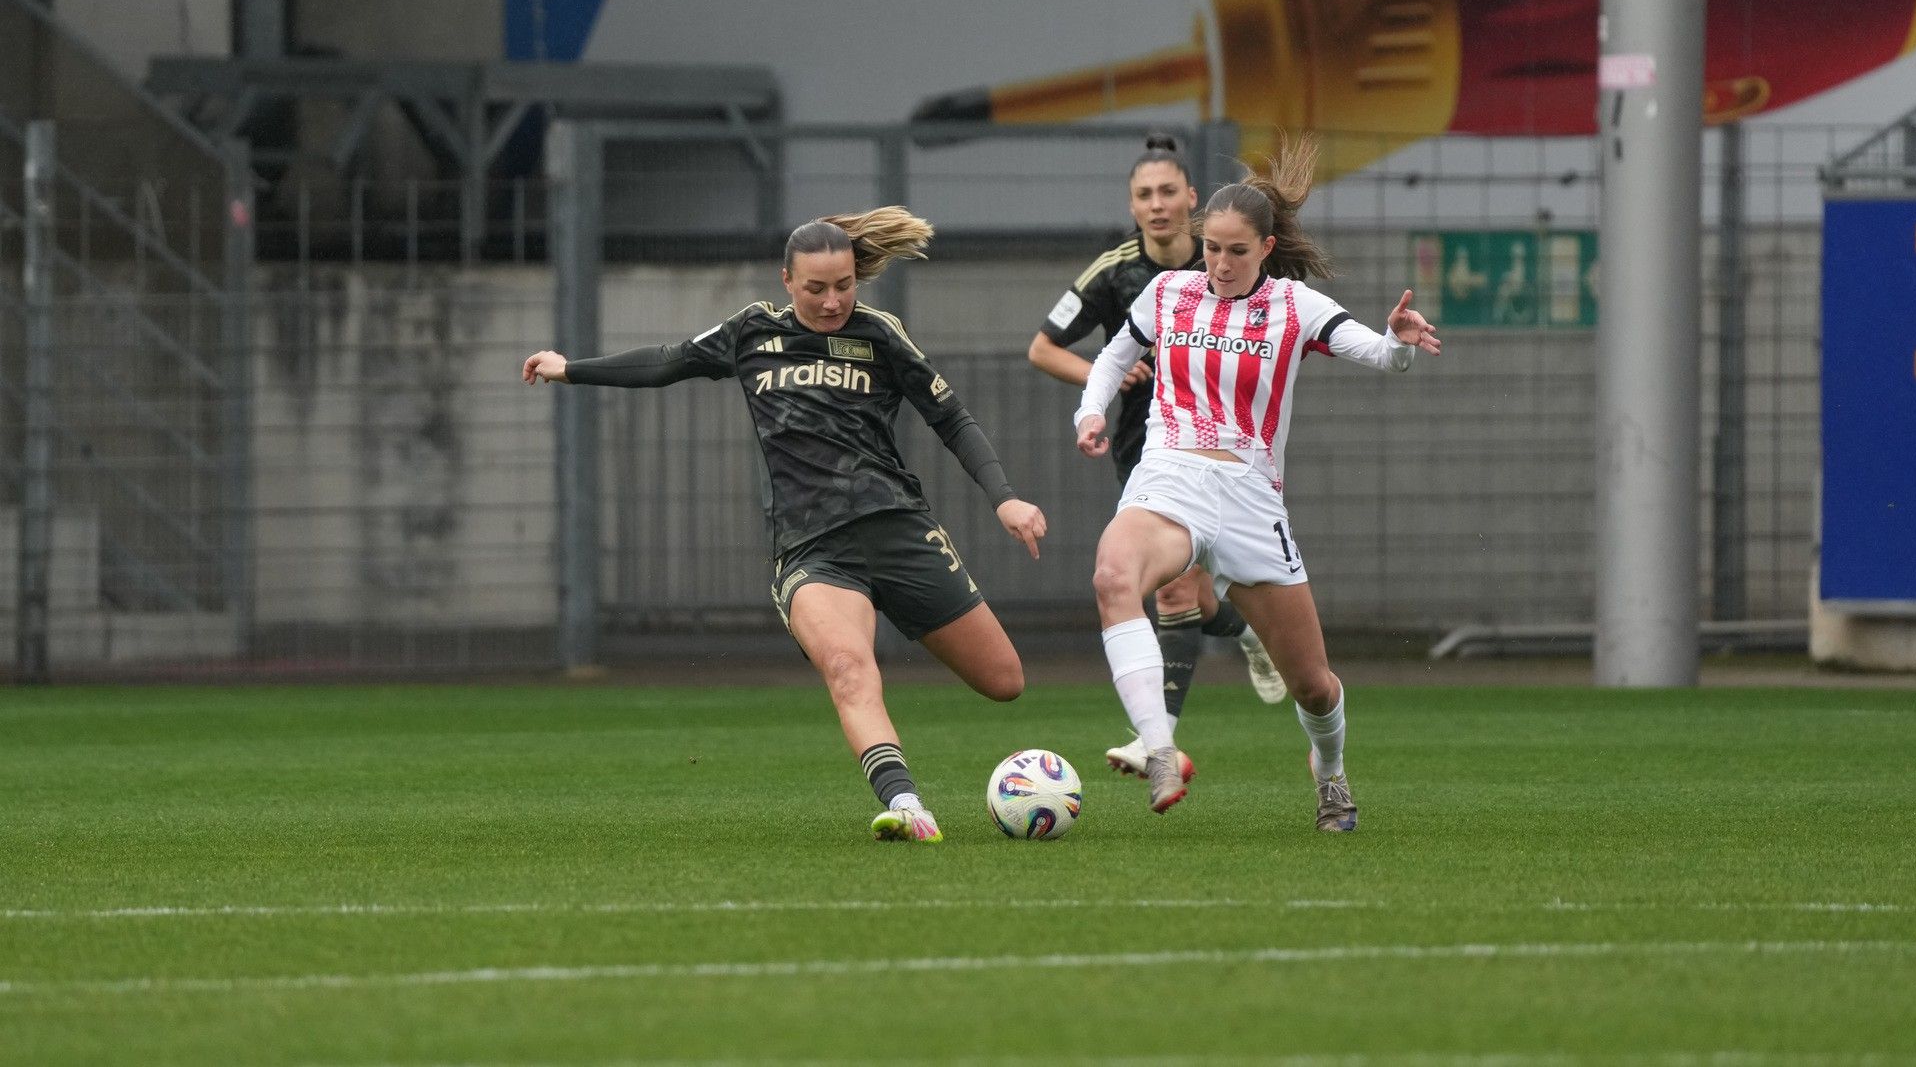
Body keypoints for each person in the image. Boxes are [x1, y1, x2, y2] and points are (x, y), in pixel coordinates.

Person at [524, 208, 1047, 844]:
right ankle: (908, 806)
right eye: (816, 288)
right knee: (850, 668)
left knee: (1004, 681)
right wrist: (570, 368)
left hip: (898, 529)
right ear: (786, 281)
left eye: (845, 285)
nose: (832, 301)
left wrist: (1005, 499)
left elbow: (953, 419)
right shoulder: (751, 331)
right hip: (813, 548)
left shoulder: (879, 334)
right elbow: (667, 361)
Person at [1073, 135, 1442, 830]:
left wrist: (1398, 340)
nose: (1219, 263)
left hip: (1247, 497)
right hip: (1170, 478)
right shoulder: (1167, 292)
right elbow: (1109, 359)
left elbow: (1378, 353)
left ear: (1266, 248)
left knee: (1312, 682)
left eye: (1236, 250)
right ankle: (1158, 747)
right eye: (1210, 247)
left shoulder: (1294, 306)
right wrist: (1091, 410)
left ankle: (1329, 773)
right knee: (1112, 576)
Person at [1027, 133, 1287, 786]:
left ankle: (1158, 740)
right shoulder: (1115, 271)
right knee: (1188, 595)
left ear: (1191, 198)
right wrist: (1105, 378)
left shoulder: (1228, 262)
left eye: (1168, 190)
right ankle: (1248, 639)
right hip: (1147, 451)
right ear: (1133, 204)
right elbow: (1042, 348)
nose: (1157, 203)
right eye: (1144, 194)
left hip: (1227, 452)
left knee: (1180, 591)